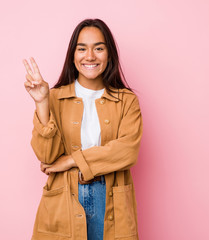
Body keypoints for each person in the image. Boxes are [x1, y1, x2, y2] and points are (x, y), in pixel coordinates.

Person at [23, 18, 143, 240]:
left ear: (109, 54)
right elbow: (47, 157)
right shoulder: (55, 97)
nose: (90, 56)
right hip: (64, 199)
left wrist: (71, 160)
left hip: (110, 199)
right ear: (73, 55)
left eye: (99, 48)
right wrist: (42, 103)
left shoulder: (126, 100)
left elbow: (127, 151)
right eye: (82, 49)